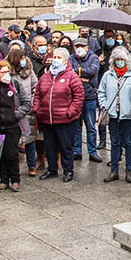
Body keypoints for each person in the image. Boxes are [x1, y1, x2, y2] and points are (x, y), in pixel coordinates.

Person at [32, 46, 84, 183]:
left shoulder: (71, 76)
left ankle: (68, 170)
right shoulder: (45, 76)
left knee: (66, 146)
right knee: (49, 146)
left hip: (65, 119)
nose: (55, 60)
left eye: (59, 58)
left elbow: (78, 97)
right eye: (54, 57)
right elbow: (37, 93)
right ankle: (52, 169)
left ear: (66, 60)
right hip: (48, 119)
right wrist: (37, 108)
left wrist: (70, 111)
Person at [0, 59, 31, 192]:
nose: (6, 75)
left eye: (8, 71)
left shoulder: (15, 84)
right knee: (0, 155)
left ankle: (15, 179)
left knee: (11, 153)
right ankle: (3, 179)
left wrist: (16, 114)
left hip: (13, 125)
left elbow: (26, 103)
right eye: (3, 72)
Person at [97, 46, 131, 183]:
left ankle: (129, 170)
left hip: (128, 115)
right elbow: (101, 92)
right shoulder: (107, 75)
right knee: (114, 142)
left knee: (128, 142)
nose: (120, 62)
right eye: (117, 59)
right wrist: (104, 105)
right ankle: (114, 170)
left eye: (122, 59)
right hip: (112, 114)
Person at [5, 42, 38, 176]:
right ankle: (12, 170)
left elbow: (35, 87)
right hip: (12, 111)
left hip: (28, 110)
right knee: (13, 141)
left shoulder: (29, 71)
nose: (24, 60)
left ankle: (32, 165)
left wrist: (31, 103)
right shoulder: (8, 74)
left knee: (30, 139)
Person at [69, 37, 102, 163]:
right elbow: (69, 73)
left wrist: (76, 72)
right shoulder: (71, 58)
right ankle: (77, 150)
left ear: (87, 48)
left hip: (89, 95)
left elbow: (92, 71)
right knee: (76, 126)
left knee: (90, 125)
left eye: (82, 46)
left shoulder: (93, 58)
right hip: (75, 96)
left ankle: (92, 151)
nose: (79, 49)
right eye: (77, 46)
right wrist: (81, 76)